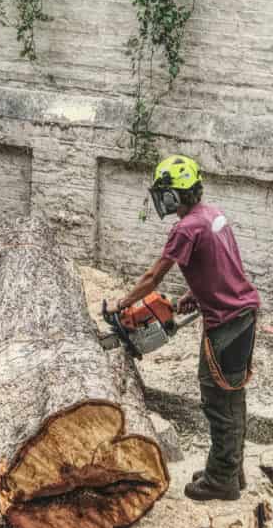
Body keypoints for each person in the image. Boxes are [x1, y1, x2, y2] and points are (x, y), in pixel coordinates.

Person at [107, 155, 260, 501]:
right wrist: (197, 293)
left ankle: (221, 480)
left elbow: (153, 276)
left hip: (226, 324)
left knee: (217, 400)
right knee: (232, 398)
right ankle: (231, 470)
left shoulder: (185, 228)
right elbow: (224, 265)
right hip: (242, 316)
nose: (162, 200)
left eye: (164, 193)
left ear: (174, 196)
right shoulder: (212, 215)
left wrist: (121, 303)